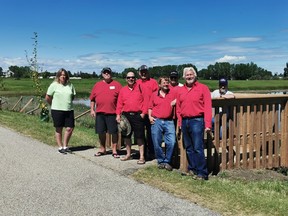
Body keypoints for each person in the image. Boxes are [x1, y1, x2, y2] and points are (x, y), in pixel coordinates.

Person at [176, 67, 212, 180]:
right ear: (184, 77)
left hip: (197, 120)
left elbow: (207, 107)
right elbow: (178, 108)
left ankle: (202, 173)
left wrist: (207, 124)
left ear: (195, 76)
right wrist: (180, 122)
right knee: (189, 148)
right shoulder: (180, 90)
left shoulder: (203, 88)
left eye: (191, 74)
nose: (189, 77)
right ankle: (193, 169)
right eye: (187, 75)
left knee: (198, 147)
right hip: (185, 121)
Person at [89, 67, 122, 158]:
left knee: (114, 132)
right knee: (101, 132)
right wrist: (92, 110)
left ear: (111, 74)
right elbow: (92, 99)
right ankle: (102, 149)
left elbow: (121, 100)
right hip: (100, 113)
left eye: (108, 72)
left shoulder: (117, 85)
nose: (106, 74)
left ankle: (114, 150)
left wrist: (119, 113)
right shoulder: (97, 85)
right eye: (105, 72)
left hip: (112, 113)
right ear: (102, 74)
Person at [116, 71, 147, 165]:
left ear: (135, 78)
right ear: (126, 79)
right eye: (128, 77)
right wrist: (118, 115)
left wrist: (144, 113)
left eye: (132, 77)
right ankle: (128, 154)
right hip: (126, 116)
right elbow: (119, 103)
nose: (131, 79)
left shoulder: (140, 88)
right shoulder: (123, 90)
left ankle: (142, 156)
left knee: (140, 137)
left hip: (138, 115)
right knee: (127, 136)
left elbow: (146, 101)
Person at [148, 77, 177, 171]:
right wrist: (150, 117)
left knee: (172, 142)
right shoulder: (154, 95)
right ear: (159, 85)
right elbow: (150, 107)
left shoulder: (173, 94)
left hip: (169, 121)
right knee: (156, 142)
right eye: (164, 83)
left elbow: (182, 97)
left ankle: (168, 161)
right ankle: (161, 161)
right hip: (157, 121)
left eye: (167, 82)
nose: (166, 84)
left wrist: (176, 101)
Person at [45, 68, 76, 154]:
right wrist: (53, 104)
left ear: (67, 76)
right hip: (57, 110)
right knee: (59, 128)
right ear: (58, 76)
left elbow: (73, 96)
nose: (63, 76)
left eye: (64, 75)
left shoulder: (70, 85)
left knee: (70, 128)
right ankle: (60, 146)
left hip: (69, 109)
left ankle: (65, 145)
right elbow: (47, 97)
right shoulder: (54, 85)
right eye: (61, 75)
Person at [136, 65, 158, 160]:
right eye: (142, 72)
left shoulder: (153, 82)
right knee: (140, 133)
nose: (143, 73)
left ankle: (152, 152)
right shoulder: (136, 82)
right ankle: (143, 153)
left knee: (151, 133)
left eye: (145, 71)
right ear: (139, 73)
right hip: (140, 112)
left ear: (148, 72)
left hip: (151, 112)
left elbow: (156, 97)